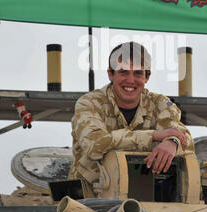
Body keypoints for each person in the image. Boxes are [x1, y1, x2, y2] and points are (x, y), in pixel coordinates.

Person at [68, 41, 194, 192]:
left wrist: (172, 142)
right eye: (123, 72)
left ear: (147, 76)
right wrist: (153, 136)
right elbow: (94, 144)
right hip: (89, 199)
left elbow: (184, 137)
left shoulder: (160, 103)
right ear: (110, 74)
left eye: (138, 73)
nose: (130, 80)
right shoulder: (90, 103)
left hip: (143, 199)